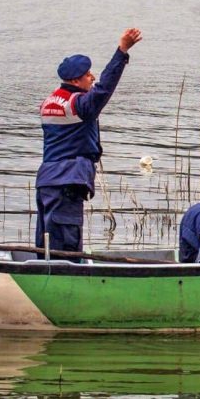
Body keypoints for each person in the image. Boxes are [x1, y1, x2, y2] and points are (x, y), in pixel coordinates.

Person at [35, 28, 142, 259]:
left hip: (46, 181)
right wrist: (122, 51)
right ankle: (67, 278)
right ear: (75, 80)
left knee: (46, 243)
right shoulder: (79, 105)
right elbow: (105, 88)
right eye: (87, 75)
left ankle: (42, 274)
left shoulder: (48, 102)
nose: (92, 78)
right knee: (66, 248)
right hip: (67, 181)